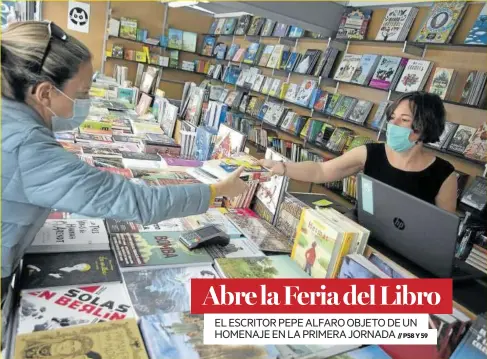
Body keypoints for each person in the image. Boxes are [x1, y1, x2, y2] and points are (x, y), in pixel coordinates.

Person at [1, 21, 248, 301]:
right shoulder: (27, 147)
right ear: (44, 93)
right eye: (81, 94)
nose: (85, 103)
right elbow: (138, 202)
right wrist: (218, 190)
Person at [260, 91, 457, 213]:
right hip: (365, 236)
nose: (393, 125)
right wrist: (283, 167)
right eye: (392, 118)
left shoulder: (444, 173)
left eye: (404, 120)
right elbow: (321, 171)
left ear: (424, 127)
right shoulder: (371, 153)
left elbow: (441, 232)